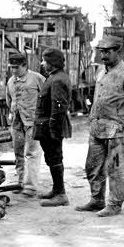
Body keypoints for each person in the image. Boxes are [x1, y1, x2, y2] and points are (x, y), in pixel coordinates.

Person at [77, 34, 124, 218]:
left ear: (119, 52)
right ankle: (96, 200)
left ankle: (114, 204)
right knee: (93, 166)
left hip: (117, 131)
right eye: (101, 51)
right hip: (98, 127)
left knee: (115, 169)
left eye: (107, 52)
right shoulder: (101, 71)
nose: (103, 55)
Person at [3, 53, 46, 198]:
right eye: (11, 67)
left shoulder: (37, 78)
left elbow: (47, 96)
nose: (14, 70)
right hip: (17, 122)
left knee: (32, 153)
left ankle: (31, 187)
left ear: (24, 66)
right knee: (18, 153)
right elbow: (9, 101)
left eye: (16, 67)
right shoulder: (10, 82)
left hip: (33, 122)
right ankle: (21, 182)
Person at [34, 48, 72, 207]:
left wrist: (54, 131)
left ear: (52, 63)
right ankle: (57, 190)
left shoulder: (57, 80)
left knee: (55, 157)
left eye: (45, 61)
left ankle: (61, 194)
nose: (42, 64)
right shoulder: (55, 77)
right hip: (48, 126)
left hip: (51, 126)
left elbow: (58, 108)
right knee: (52, 158)